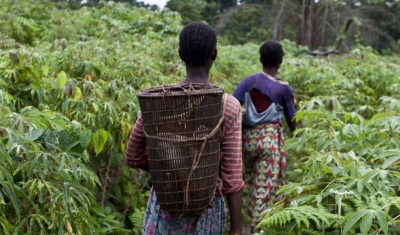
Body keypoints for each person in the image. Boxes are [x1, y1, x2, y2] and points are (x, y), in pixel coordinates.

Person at [125, 22, 244, 235]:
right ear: (214, 54)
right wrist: (237, 229)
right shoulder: (229, 106)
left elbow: (133, 156)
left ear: (180, 54)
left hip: (166, 204)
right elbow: (232, 178)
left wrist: (172, 169)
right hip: (207, 210)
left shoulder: (158, 102)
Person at [232, 41, 296, 232]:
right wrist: (297, 135)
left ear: (260, 59)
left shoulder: (249, 82)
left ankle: (251, 220)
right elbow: (292, 118)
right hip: (268, 142)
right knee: (264, 190)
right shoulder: (284, 88)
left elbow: (232, 105)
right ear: (280, 61)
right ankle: (256, 229)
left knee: (253, 183)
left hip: (247, 141)